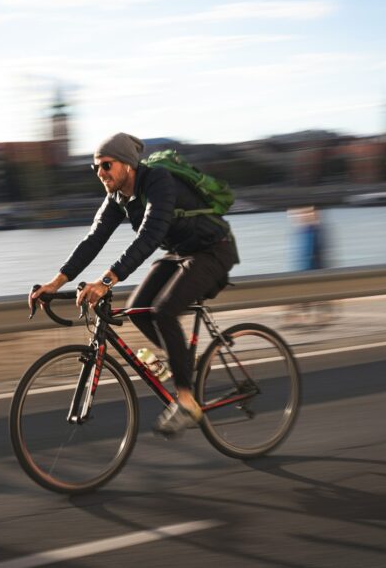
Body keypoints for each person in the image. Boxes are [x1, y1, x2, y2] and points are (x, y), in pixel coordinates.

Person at [29, 132, 238, 437]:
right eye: (95, 167)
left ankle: (187, 402)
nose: (100, 173)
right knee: (138, 309)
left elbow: (150, 236)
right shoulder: (117, 197)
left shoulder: (159, 181)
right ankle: (180, 363)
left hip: (212, 249)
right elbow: (94, 239)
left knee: (164, 312)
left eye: (106, 165)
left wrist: (106, 280)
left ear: (127, 164)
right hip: (181, 252)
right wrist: (56, 281)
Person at [285, 205, 333, 326]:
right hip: (307, 268)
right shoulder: (307, 230)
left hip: (311, 268)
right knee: (308, 295)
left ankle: (301, 316)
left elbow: (314, 251)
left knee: (307, 295)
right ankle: (303, 316)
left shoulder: (313, 230)